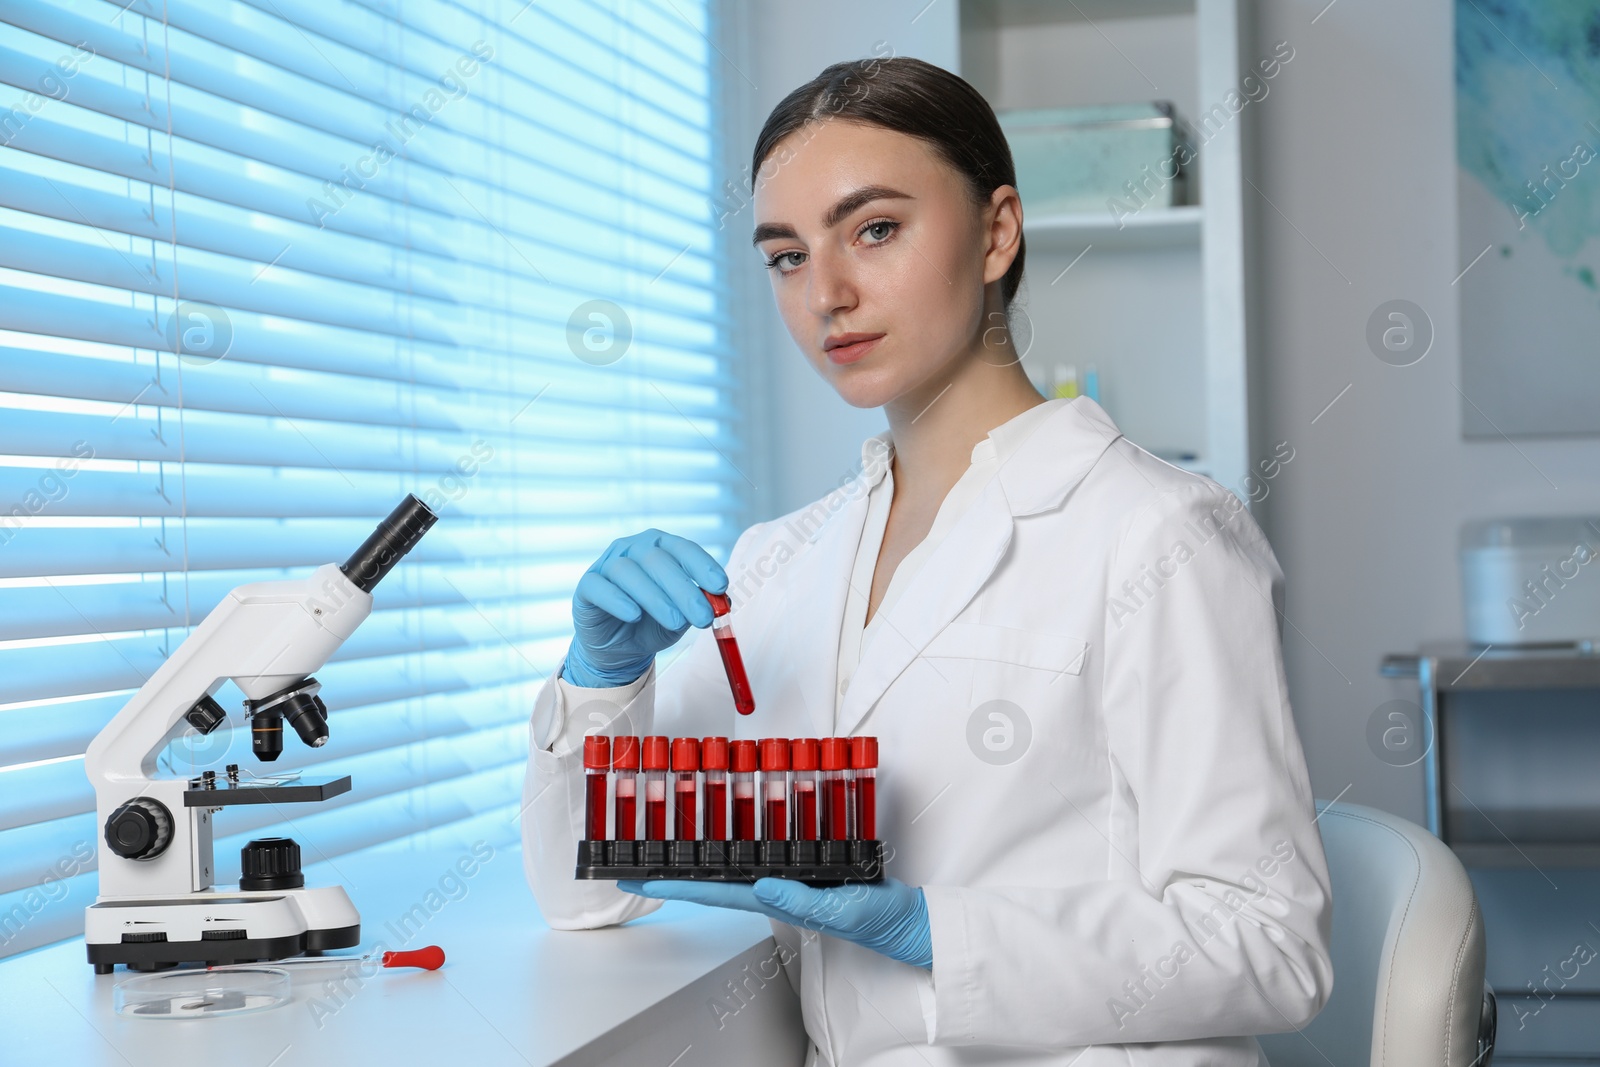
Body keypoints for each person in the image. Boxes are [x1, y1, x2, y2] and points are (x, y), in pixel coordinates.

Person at [521, 55, 1333, 1066]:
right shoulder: (779, 561)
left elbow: (1270, 943)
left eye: (875, 229)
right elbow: (586, 889)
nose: (828, 292)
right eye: (785, 254)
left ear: (996, 231)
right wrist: (602, 679)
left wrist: (938, 930)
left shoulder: (1160, 534)